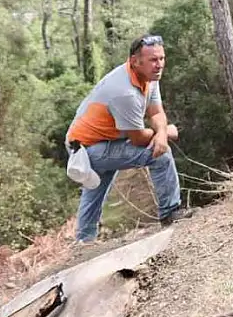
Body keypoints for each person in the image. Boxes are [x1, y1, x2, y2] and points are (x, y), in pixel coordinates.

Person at [66, 34, 189, 243]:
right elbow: (139, 139)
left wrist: (160, 132)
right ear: (135, 61)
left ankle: (83, 241)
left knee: (96, 188)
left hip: (97, 142)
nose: (159, 65)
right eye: (153, 60)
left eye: (161, 58)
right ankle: (170, 213)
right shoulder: (124, 93)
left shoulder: (149, 77)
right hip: (86, 149)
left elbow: (156, 113)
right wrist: (166, 134)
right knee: (159, 154)